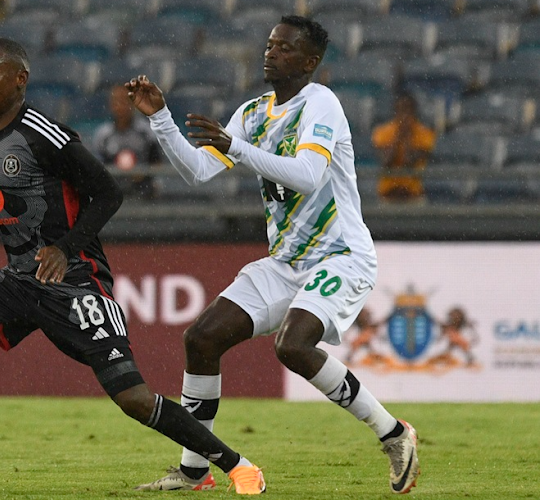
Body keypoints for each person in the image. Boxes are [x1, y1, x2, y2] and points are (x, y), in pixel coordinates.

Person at [0, 38, 265, 495]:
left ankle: (237, 465)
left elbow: (107, 193)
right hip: (19, 279)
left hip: (76, 283)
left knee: (134, 399)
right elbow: (11, 209)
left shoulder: (44, 133)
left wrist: (66, 248)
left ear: (20, 80)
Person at [127, 15, 420, 495]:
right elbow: (199, 170)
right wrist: (161, 118)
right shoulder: (254, 111)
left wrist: (236, 148)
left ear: (309, 61)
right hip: (285, 262)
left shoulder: (321, 104)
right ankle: (194, 470)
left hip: (340, 255)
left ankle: (394, 434)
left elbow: (306, 175)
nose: (271, 53)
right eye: (269, 44)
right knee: (201, 339)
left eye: (284, 48)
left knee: (293, 345)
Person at [92, 84, 162, 198]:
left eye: (124, 102)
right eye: (116, 102)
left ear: (133, 104)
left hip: (143, 194)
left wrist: (143, 173)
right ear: (110, 106)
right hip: (113, 195)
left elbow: (157, 163)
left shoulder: (146, 132)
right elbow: (97, 167)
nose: (120, 107)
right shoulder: (103, 136)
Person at [371, 92, 437, 203]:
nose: (404, 115)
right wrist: (398, 137)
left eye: (407, 110)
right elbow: (386, 161)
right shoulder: (382, 132)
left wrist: (407, 137)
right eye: (401, 110)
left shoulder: (425, 133)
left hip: (413, 195)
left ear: (414, 112)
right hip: (388, 195)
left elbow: (410, 161)